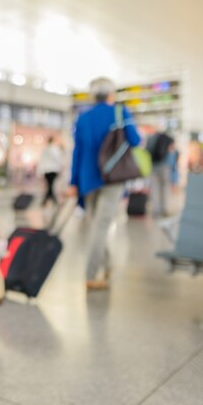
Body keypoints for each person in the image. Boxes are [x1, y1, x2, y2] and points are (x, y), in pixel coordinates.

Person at [67, 77, 141, 290]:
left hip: (87, 179)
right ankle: (90, 275)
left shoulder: (83, 118)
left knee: (97, 226)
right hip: (113, 178)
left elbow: (77, 153)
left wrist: (73, 181)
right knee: (101, 227)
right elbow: (135, 141)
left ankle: (108, 266)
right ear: (111, 94)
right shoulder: (120, 112)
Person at [146, 130, 174, 217]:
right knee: (165, 187)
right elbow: (171, 153)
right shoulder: (168, 139)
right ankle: (164, 209)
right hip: (164, 166)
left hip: (153, 165)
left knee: (154, 187)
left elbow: (147, 151)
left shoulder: (150, 138)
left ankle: (156, 211)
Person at [38, 136, 64, 206]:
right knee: (51, 186)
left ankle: (49, 200)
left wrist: (40, 171)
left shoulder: (45, 149)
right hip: (53, 170)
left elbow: (41, 161)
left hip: (46, 170)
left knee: (50, 186)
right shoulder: (54, 149)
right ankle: (52, 200)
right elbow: (58, 159)